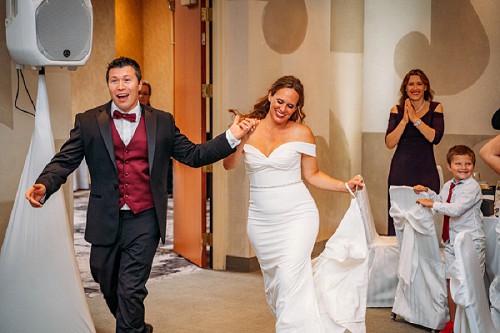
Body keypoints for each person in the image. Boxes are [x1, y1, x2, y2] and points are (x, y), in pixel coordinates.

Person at [25, 57, 258, 333]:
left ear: (139, 83)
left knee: (130, 289)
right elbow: (66, 159)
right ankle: (137, 328)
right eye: (114, 80)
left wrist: (232, 135)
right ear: (108, 85)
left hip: (145, 218)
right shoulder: (88, 121)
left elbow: (195, 155)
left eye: (127, 80)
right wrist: (45, 183)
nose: (120, 86)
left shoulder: (162, 121)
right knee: (106, 280)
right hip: (105, 217)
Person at [223, 75, 364, 332]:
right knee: (276, 286)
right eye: (280, 101)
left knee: (290, 280)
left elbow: (312, 175)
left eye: (290, 106)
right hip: (261, 221)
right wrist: (239, 137)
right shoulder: (247, 127)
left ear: (297, 108)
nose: (283, 109)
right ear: (270, 96)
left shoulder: (302, 132)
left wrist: (344, 186)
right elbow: (228, 164)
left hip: (298, 216)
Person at [414, 145, 486, 333]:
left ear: (473, 165)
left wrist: (433, 204)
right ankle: (453, 323)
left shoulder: (472, 187)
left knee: (469, 282)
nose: (463, 167)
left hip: (471, 242)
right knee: (452, 281)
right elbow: (441, 200)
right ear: (449, 166)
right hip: (452, 242)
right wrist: (428, 192)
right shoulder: (449, 185)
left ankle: (472, 325)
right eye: (458, 164)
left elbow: (455, 209)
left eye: (468, 163)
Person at [385, 69, 444, 236]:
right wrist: (404, 120)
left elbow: (435, 137)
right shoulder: (397, 110)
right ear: (405, 88)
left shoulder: (435, 107)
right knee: (400, 218)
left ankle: (426, 259)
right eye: (411, 84)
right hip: (401, 171)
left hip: (426, 170)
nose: (415, 87)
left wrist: (415, 120)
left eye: (419, 83)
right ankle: (401, 258)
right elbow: (390, 143)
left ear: (425, 87)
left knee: (426, 218)